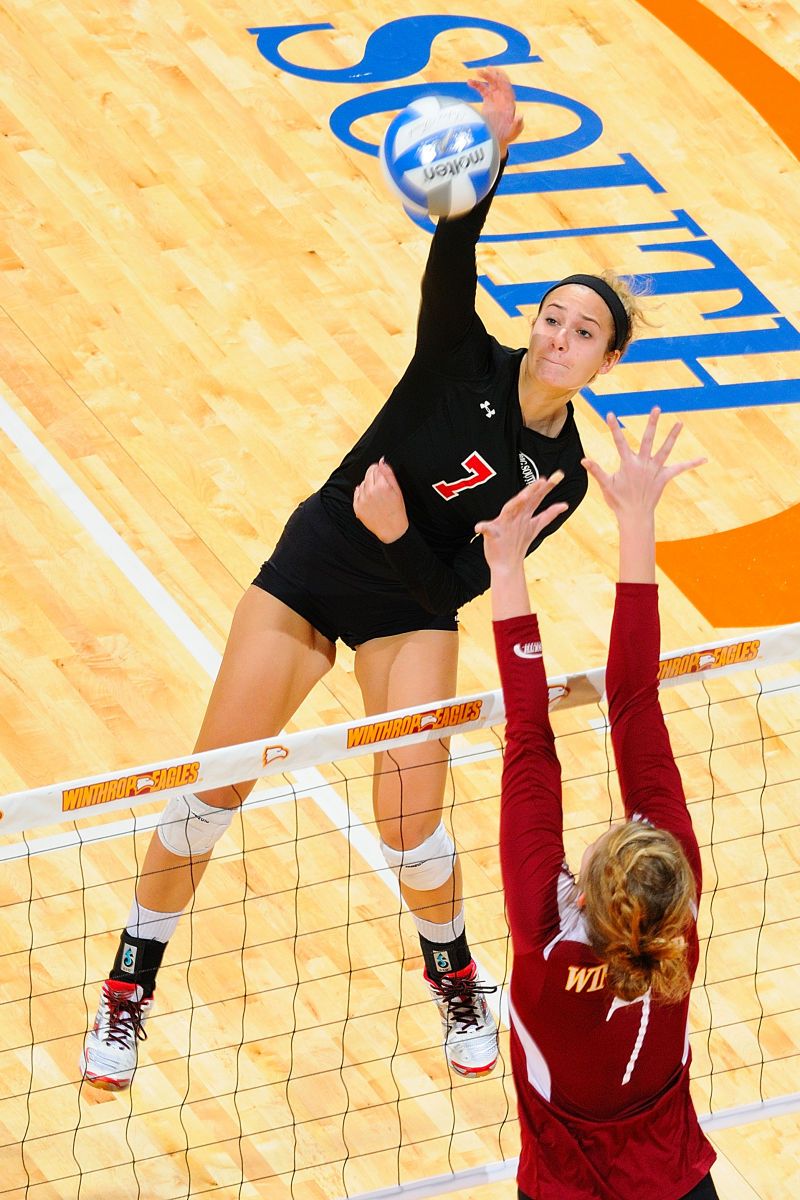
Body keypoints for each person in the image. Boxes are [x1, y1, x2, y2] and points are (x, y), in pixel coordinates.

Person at [81, 67, 642, 1090]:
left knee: (407, 820)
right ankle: (128, 988)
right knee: (216, 784)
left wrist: (397, 535)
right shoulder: (454, 356)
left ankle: (455, 973)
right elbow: (453, 247)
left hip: (409, 602)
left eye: (583, 333)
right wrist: (495, 150)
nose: (558, 338)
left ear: (604, 363)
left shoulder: (559, 474)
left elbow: (461, 588)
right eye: (552, 318)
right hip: (317, 567)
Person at [477, 408, 717, 1198]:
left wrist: (506, 565)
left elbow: (551, 733)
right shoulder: (670, 922)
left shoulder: (553, 948)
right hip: (679, 1183)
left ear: (585, 885)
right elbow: (617, 708)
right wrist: (636, 523)